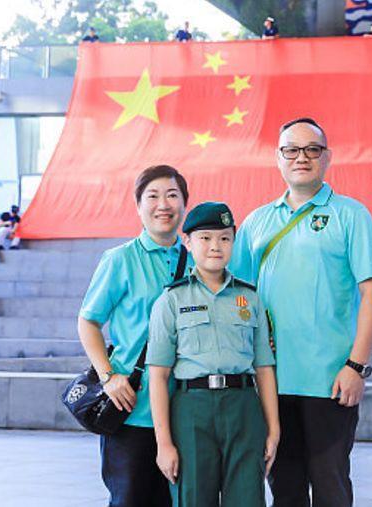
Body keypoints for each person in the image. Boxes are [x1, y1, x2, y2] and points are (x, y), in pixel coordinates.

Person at [231, 117, 372, 507]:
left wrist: (356, 366)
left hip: (330, 382)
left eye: (311, 149)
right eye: (291, 150)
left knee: (331, 486)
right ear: (278, 158)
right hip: (271, 381)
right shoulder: (256, 222)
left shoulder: (351, 215)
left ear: (326, 157)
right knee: (284, 489)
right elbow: (237, 297)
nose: (301, 157)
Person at [147, 202, 279, 507]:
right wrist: (163, 443)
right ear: (189, 243)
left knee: (247, 499)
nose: (215, 246)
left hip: (244, 407)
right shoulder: (172, 299)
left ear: (233, 242)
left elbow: (264, 368)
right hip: (192, 410)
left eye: (224, 238)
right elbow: (159, 375)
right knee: (195, 498)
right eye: (205, 238)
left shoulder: (250, 297)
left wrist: (273, 429)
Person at [78, 165, 190, 507]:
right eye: (152, 196)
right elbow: (88, 322)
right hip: (133, 409)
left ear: (185, 203)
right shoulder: (120, 260)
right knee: (130, 499)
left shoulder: (197, 259)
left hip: (185, 411)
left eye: (172, 195)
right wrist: (108, 376)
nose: (163, 204)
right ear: (138, 205)